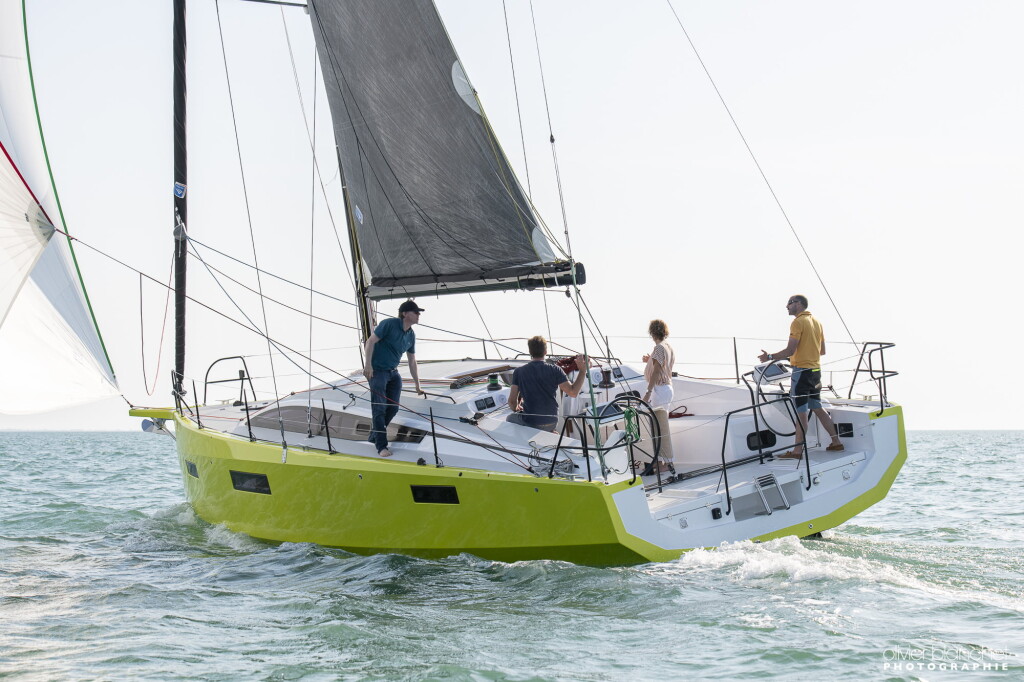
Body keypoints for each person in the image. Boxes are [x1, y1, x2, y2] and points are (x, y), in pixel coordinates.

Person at [758, 294, 844, 459]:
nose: (787, 306)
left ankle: (797, 452)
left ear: (798, 304)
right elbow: (822, 351)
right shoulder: (817, 322)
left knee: (801, 412)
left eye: (789, 303)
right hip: (815, 372)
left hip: (802, 373)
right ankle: (836, 442)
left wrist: (769, 357)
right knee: (817, 407)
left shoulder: (797, 322)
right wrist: (804, 353)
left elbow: (790, 350)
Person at [363, 299, 424, 457]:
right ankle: (381, 447)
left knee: (393, 408)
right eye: (416, 312)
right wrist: (368, 365)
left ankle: (374, 435)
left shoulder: (411, 335)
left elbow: (412, 361)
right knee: (379, 408)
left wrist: (417, 385)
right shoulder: (389, 324)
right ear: (405, 314)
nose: (419, 315)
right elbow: (370, 342)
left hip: (393, 373)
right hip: (377, 372)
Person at [506, 336, 587, 432]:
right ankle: (550, 430)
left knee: (509, 418)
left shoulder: (519, 372)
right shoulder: (555, 369)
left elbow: (512, 402)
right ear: (545, 352)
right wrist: (582, 371)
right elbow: (573, 392)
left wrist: (516, 409)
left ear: (530, 352)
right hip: (552, 422)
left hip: (531, 423)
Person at [642, 319, 675, 408]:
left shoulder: (659, 347)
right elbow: (664, 364)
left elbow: (656, 372)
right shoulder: (668, 347)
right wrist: (650, 360)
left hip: (660, 389)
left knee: (657, 416)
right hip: (666, 388)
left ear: (652, 333)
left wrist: (648, 393)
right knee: (662, 416)